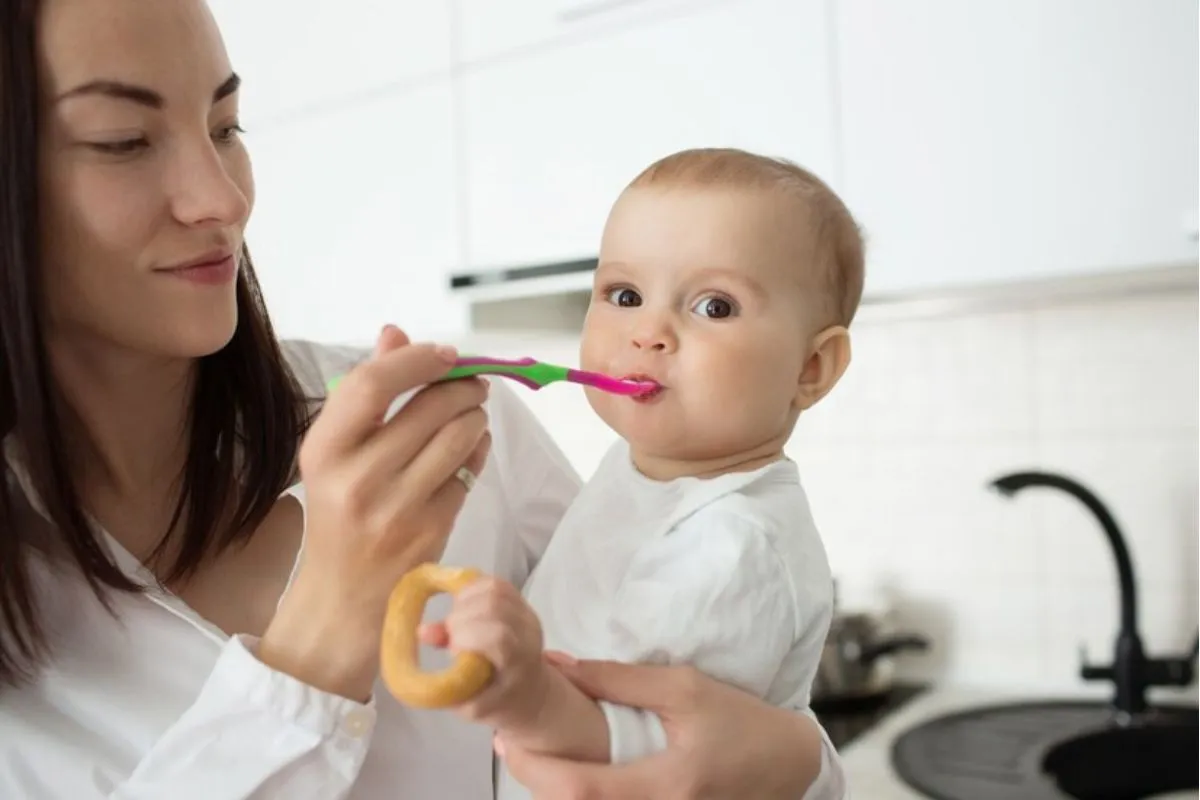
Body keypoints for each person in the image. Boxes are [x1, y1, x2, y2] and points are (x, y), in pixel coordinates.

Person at [0, 0, 841, 798]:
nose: (224, 199)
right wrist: (325, 628)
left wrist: (798, 765)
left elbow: (672, 702)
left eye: (226, 127)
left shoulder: (453, 430)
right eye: (123, 140)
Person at [414, 149, 861, 800]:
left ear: (810, 369)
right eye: (624, 295)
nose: (649, 331)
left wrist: (520, 691)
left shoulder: (732, 542)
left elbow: (656, 741)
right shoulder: (643, 471)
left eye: (714, 307)